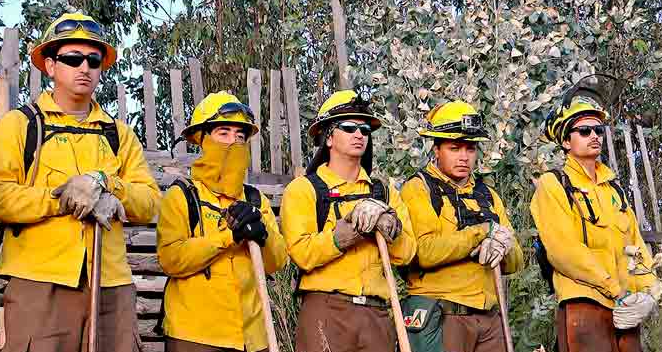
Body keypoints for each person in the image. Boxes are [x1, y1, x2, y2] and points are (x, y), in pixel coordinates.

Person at [0, 13, 160, 352]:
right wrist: (61, 199)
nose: (84, 67)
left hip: (111, 286)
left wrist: (109, 188)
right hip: (41, 286)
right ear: (50, 65)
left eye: (93, 60)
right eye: (72, 59)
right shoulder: (20, 126)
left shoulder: (119, 134)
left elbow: (149, 201)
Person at [280, 90, 417, 352]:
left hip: (376, 315)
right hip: (326, 311)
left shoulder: (384, 192)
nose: (359, 134)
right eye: (348, 127)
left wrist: (392, 229)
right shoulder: (304, 190)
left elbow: (408, 254)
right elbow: (302, 254)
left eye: (365, 129)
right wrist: (350, 230)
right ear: (328, 137)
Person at [531, 74, 658, 352]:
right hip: (584, 305)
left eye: (598, 130)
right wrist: (615, 289)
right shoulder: (554, 185)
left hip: (624, 310)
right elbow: (564, 252)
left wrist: (649, 292)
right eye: (584, 131)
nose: (594, 136)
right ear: (566, 141)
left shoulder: (614, 189)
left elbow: (634, 245)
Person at [156, 91, 288, 352]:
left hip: (253, 338)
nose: (233, 142)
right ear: (202, 139)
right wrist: (230, 236)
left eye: (240, 136)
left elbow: (277, 262)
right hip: (195, 337)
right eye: (223, 133)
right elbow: (171, 259)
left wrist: (264, 236)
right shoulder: (182, 196)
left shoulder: (255, 199)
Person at [400, 101, 524, 352]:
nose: (464, 156)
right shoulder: (419, 189)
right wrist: (480, 234)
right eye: (454, 148)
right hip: (441, 314)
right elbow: (424, 252)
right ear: (436, 149)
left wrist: (503, 245)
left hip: (489, 318)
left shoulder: (488, 195)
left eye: (470, 148)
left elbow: (516, 263)